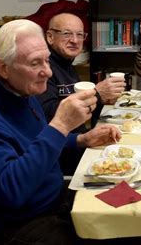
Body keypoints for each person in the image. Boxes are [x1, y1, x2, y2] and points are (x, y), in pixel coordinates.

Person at [0, 19, 121, 244]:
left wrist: (80, 139)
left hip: (52, 199)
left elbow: (37, 143)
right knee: (113, 232)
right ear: (4, 68)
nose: (48, 72)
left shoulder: (20, 92)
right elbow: (11, 191)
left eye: (47, 61)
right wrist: (60, 125)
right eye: (34, 64)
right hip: (20, 224)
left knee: (126, 206)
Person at [37, 13, 126, 174]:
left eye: (79, 35)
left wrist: (103, 101)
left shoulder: (69, 67)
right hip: (60, 158)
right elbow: (49, 115)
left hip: (78, 145)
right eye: (67, 34)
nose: (75, 40)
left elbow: (82, 115)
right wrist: (97, 94)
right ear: (50, 37)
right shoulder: (45, 70)